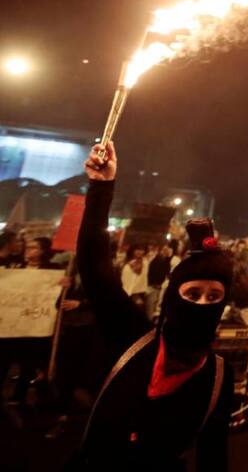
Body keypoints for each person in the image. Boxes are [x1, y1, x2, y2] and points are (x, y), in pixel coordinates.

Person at [70, 142, 231, 471]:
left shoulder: (218, 376)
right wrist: (101, 188)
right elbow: (94, 267)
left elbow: (214, 456)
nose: (202, 304)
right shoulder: (133, 337)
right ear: (174, 297)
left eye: (214, 297)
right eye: (193, 294)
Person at [121, 244, 149, 311]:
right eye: (137, 250)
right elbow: (125, 280)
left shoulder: (145, 262)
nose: (139, 252)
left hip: (139, 293)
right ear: (133, 251)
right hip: (128, 293)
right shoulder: (127, 265)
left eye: (141, 250)